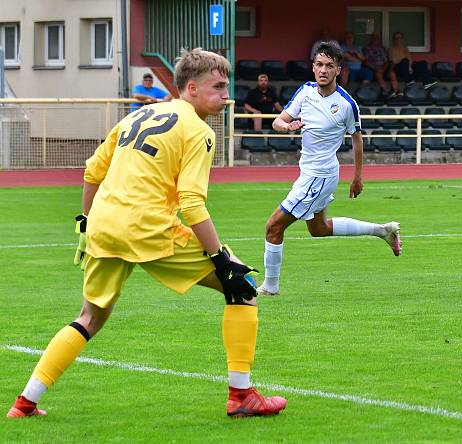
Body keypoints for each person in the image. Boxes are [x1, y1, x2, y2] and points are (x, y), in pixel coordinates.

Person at [7, 48, 287, 419]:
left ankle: (24, 403)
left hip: (105, 226)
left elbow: (92, 172)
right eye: (218, 87)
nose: (226, 95)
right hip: (148, 227)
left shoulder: (137, 115)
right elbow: (191, 203)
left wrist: (87, 224)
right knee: (244, 287)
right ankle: (241, 396)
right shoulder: (198, 130)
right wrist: (220, 259)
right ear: (191, 88)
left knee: (89, 317)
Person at [259, 41, 402, 296]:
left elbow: (357, 139)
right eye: (319, 64)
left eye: (329, 65)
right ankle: (383, 231)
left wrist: (358, 177)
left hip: (320, 176)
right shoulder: (305, 91)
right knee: (319, 229)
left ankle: (270, 287)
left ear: (338, 69)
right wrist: (286, 126)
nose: (323, 70)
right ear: (313, 67)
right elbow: (277, 121)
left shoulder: (347, 104)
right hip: (309, 172)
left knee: (273, 227)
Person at [362, 33, 400, 98]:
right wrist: (376, 68)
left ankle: (396, 92)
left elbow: (386, 61)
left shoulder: (382, 48)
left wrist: (383, 68)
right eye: (374, 38)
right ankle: (386, 91)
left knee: (392, 73)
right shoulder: (366, 49)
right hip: (373, 69)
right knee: (378, 74)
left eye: (377, 39)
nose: (375, 40)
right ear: (371, 39)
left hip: (383, 68)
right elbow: (366, 62)